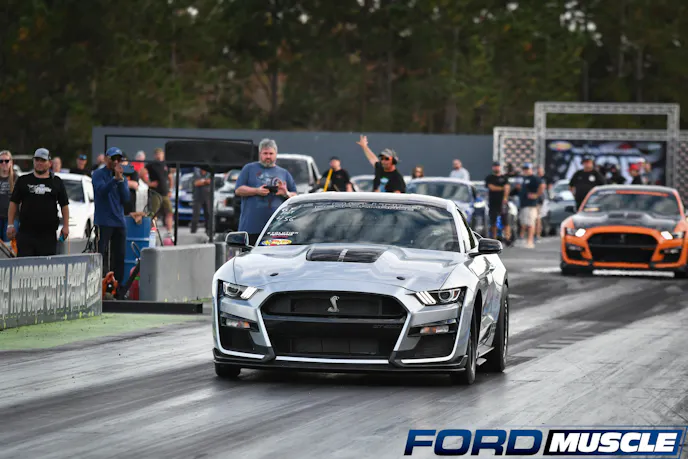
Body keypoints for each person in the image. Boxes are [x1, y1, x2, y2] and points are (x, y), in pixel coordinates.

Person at [7, 148, 69, 257]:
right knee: (25, 265)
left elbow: (64, 205)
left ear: (50, 163)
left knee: (46, 265)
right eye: (37, 160)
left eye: (43, 160)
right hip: (26, 233)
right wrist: (10, 224)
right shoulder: (23, 180)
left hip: (48, 235)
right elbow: (13, 202)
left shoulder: (56, 181)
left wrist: (66, 226)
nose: (39, 163)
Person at [234, 139, 297, 245]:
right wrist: (256, 191)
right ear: (260, 154)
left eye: (271, 153)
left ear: (276, 154)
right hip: (251, 227)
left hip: (276, 228)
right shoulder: (249, 169)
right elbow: (238, 190)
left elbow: (295, 196)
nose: (268, 156)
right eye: (265, 153)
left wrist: (285, 193)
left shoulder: (284, 173)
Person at [92, 147, 130, 285]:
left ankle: (117, 286)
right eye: (113, 158)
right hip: (104, 221)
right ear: (106, 159)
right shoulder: (98, 174)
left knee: (119, 255)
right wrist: (114, 180)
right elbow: (101, 191)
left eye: (118, 159)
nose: (116, 162)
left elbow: (126, 198)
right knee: (102, 254)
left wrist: (120, 181)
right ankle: (100, 283)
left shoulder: (121, 177)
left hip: (119, 221)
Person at [145, 148, 174, 238]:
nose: (159, 155)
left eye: (160, 154)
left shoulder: (166, 165)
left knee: (169, 212)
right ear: (155, 155)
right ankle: (152, 231)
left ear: (163, 154)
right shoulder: (151, 165)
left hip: (165, 193)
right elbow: (141, 173)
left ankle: (169, 231)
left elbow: (170, 177)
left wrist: (170, 189)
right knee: (154, 213)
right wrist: (149, 183)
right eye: (157, 154)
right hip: (155, 193)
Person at [518, 163, 544, 249]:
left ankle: (530, 241)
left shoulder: (534, 178)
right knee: (524, 223)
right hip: (524, 204)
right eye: (524, 169)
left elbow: (542, 186)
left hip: (531, 204)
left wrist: (536, 195)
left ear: (531, 169)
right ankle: (525, 239)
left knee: (530, 223)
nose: (525, 171)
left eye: (527, 169)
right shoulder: (524, 178)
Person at [484, 161, 510, 241]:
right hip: (493, 202)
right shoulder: (489, 178)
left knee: (505, 221)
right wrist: (502, 188)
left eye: (498, 166)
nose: (496, 168)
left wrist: (505, 198)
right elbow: (491, 187)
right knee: (493, 221)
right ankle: (494, 238)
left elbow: (507, 188)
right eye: (495, 166)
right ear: (493, 167)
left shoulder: (504, 178)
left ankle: (507, 237)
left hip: (502, 202)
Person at [0, 150, 17, 242]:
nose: (4, 163)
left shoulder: (16, 178)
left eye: (6, 161)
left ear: (11, 162)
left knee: (8, 245)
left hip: (12, 219)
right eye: (1, 161)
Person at [191, 167, 212, 235]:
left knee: (208, 213)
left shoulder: (209, 173)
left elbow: (210, 181)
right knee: (196, 214)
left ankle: (208, 229)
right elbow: (196, 183)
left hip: (207, 196)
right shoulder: (196, 172)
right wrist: (205, 182)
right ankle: (193, 230)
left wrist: (202, 181)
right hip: (197, 197)